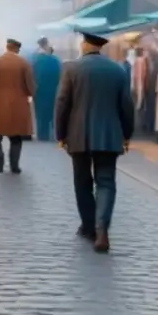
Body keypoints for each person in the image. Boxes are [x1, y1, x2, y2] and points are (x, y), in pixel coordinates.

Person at [55, 31, 134, 253]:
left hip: (78, 134)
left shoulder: (71, 69)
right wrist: (127, 134)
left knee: (82, 181)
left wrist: (60, 134)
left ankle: (89, 226)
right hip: (109, 135)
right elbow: (126, 106)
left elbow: (62, 103)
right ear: (100, 48)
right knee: (106, 182)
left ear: (84, 45)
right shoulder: (117, 71)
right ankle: (102, 229)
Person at [0, 39, 35, 173]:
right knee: (16, 137)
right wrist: (30, 93)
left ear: (6, 47)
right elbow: (30, 86)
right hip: (19, 103)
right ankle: (15, 165)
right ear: (17, 49)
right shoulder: (24, 63)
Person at [31, 37, 61, 142]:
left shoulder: (35, 60)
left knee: (40, 113)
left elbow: (32, 75)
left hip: (38, 91)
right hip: (52, 90)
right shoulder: (55, 61)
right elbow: (59, 76)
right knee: (51, 112)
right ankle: (52, 133)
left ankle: (42, 134)